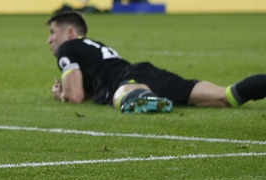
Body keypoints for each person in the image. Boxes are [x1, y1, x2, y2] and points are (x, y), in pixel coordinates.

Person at [47, 10, 266, 113]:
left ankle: (145, 99)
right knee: (225, 97)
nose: (50, 40)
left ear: (69, 32)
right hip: (147, 73)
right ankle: (244, 90)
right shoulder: (93, 47)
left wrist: (62, 95)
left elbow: (75, 96)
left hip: (129, 80)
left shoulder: (68, 48)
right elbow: (88, 88)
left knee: (121, 96)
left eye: (52, 33)